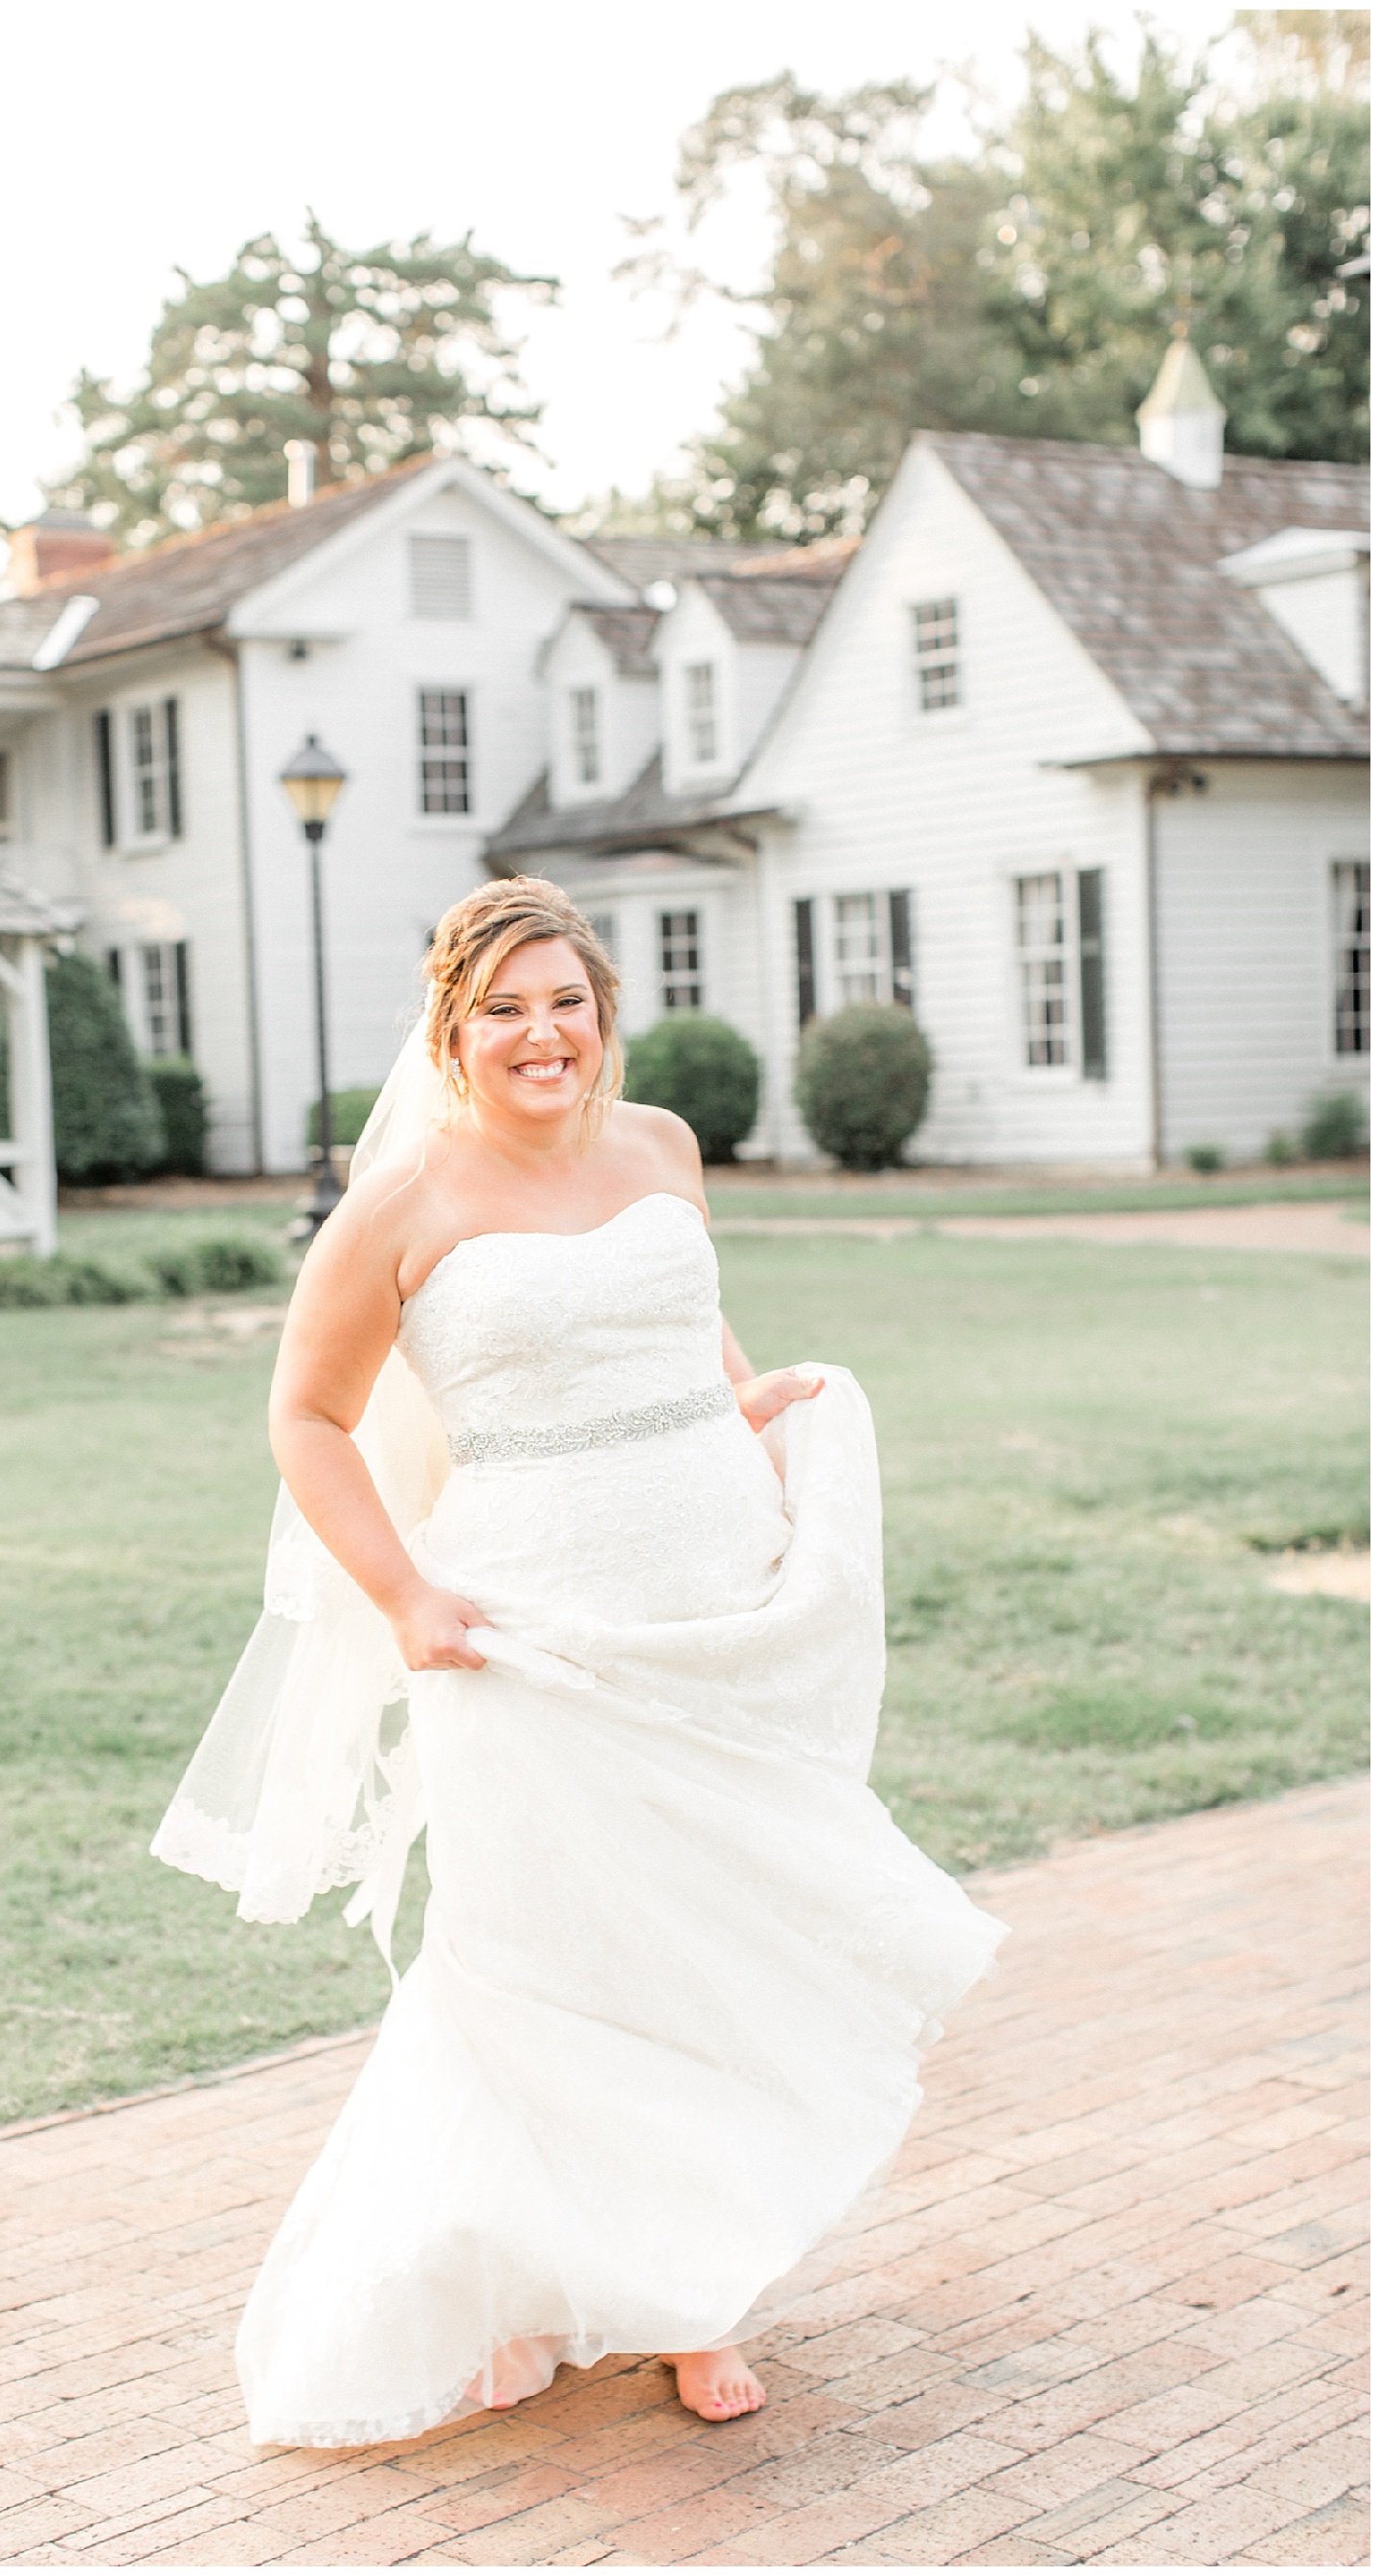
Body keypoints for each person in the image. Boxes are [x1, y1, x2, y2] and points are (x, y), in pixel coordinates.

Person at [152, 877, 1006, 2448]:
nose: (542, 1034)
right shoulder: (400, 1202)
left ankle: (697, 2299)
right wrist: (404, 1591)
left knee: (702, 1953)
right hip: (525, 1636)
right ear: (453, 1027)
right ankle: (529, 2288)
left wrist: (749, 1405)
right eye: (507, 1007)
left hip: (707, 1605)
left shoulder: (665, 1147)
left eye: (568, 1002)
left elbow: (693, 1322)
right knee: (536, 1962)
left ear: (604, 1014)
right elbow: (305, 1417)